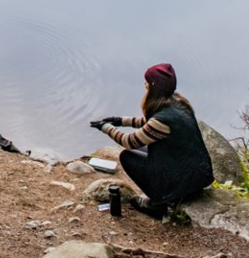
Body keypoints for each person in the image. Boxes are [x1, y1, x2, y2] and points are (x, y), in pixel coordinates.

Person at [90, 63, 215, 218]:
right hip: (197, 176)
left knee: (127, 156)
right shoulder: (178, 102)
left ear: (154, 87)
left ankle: (157, 203)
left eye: (147, 83)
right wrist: (121, 121)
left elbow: (129, 141)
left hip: (183, 184)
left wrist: (105, 127)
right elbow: (150, 125)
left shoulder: (163, 119)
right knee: (144, 151)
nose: (145, 84)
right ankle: (166, 194)